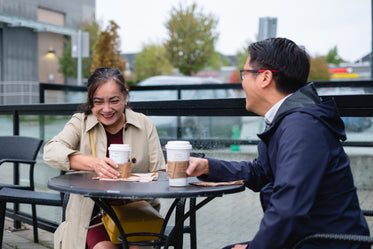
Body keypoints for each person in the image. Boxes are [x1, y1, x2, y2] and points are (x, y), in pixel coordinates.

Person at [186, 38, 370, 249]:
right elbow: (261, 172)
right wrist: (208, 166)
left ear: (264, 77)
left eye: (244, 73)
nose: (242, 81)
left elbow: (288, 209)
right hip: (309, 238)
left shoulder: (301, 127)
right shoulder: (291, 120)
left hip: (326, 244)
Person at [43, 67, 165, 249]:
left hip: (135, 213)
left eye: (114, 101)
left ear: (125, 96)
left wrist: (134, 180)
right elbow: (51, 151)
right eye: (98, 102)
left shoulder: (144, 124)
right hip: (92, 213)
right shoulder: (81, 122)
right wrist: (93, 163)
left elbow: (160, 174)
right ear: (89, 100)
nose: (106, 109)